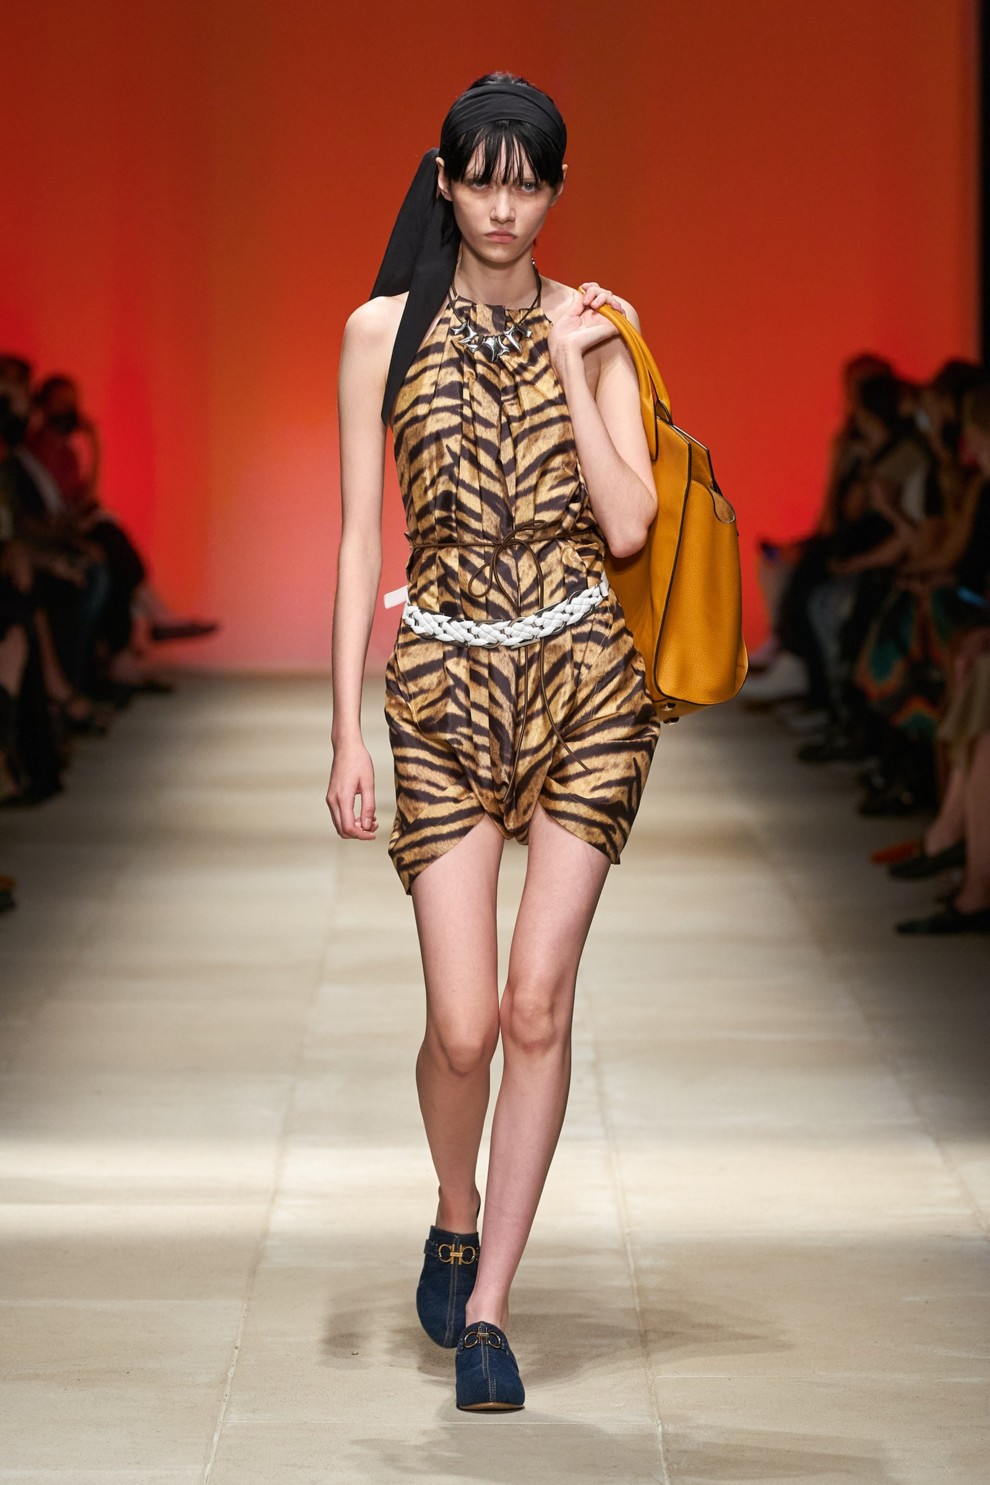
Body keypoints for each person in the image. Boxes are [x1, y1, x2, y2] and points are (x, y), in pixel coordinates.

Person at [325, 74, 662, 1412]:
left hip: (587, 683)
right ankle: (453, 1209)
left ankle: (488, 1311)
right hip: (442, 687)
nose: (504, 207)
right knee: (462, 1029)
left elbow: (627, 524)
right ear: (446, 183)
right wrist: (342, 729)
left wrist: (578, 364)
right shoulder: (380, 334)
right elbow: (361, 538)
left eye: (528, 184)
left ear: (556, 190)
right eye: (482, 180)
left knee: (535, 1005)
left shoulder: (603, 331)